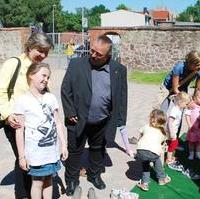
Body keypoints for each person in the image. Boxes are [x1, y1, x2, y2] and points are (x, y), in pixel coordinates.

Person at [61, 35, 127, 196]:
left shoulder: (119, 69)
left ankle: (94, 175)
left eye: (99, 54)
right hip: (77, 119)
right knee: (74, 150)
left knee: (98, 150)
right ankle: (71, 180)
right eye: (92, 50)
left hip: (103, 120)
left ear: (108, 55)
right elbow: (65, 89)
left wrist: (120, 120)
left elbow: (122, 96)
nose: (93, 55)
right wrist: (69, 111)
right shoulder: (76, 64)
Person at [0, 32, 53, 199]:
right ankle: (22, 194)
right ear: (30, 47)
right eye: (40, 50)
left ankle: (34, 191)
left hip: (36, 124)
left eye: (46, 52)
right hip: (15, 121)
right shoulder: (13, 63)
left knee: (34, 157)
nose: (43, 55)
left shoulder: (40, 69)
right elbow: (1, 92)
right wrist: (8, 115)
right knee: (22, 157)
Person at [14, 63, 67, 199]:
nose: (46, 79)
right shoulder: (23, 100)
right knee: (37, 182)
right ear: (31, 75)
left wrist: (64, 145)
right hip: (35, 153)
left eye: (48, 77)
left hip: (51, 151)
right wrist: (21, 156)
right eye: (43, 75)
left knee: (49, 180)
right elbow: (19, 131)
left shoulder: (51, 98)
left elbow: (58, 122)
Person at [136, 109, 171, 191]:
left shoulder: (146, 126)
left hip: (141, 150)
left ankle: (145, 183)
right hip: (153, 152)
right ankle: (161, 179)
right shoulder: (163, 132)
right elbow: (163, 143)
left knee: (145, 165)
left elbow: (140, 135)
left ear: (151, 119)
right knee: (157, 161)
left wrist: (139, 144)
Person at [166, 92, 190, 167]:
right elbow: (170, 122)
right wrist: (172, 133)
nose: (186, 105)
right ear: (180, 102)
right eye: (185, 104)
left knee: (171, 143)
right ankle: (168, 159)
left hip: (173, 131)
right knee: (174, 143)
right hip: (170, 131)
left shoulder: (179, 109)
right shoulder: (175, 110)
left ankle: (169, 155)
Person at [185, 89, 200, 160]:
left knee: (198, 142)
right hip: (192, 128)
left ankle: (197, 153)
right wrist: (189, 125)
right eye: (199, 98)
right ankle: (191, 153)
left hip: (199, 129)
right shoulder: (192, 105)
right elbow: (187, 115)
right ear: (194, 97)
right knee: (191, 141)